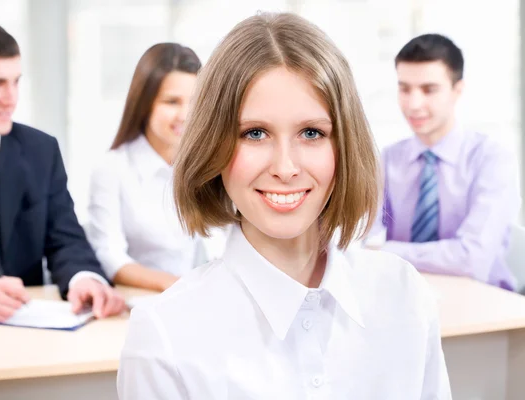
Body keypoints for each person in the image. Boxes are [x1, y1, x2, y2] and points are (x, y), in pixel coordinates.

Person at [117, 13, 450, 399]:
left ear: (344, 144)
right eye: (254, 134)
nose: (285, 168)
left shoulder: (405, 294)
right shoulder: (163, 334)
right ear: (214, 146)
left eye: (312, 133)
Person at [0, 20, 126, 322]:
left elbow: (66, 240)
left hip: (22, 326)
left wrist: (84, 278)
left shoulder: (39, 151)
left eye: (16, 81)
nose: (11, 98)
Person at [367, 34, 520, 290]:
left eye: (429, 90)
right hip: (406, 295)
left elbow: (472, 258)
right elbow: (359, 240)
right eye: (404, 88)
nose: (414, 104)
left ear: (457, 90)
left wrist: (386, 250)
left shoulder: (492, 160)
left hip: (485, 301)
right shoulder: (388, 159)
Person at [87, 43, 226, 292]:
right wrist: (178, 286)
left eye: (194, 102)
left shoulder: (206, 167)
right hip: (138, 304)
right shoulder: (113, 169)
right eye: (171, 102)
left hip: (195, 301)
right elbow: (110, 257)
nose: (185, 115)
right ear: (145, 104)